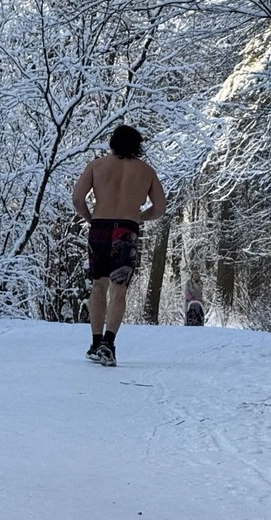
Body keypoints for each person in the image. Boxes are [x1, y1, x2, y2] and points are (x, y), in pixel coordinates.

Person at [72, 125, 166, 366]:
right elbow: (159, 209)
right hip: (126, 229)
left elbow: (77, 199)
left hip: (100, 227)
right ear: (138, 145)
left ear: (112, 143)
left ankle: (95, 343)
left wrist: (90, 218)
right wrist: (138, 217)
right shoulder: (146, 171)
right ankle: (108, 344)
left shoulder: (97, 166)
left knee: (98, 285)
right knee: (119, 288)